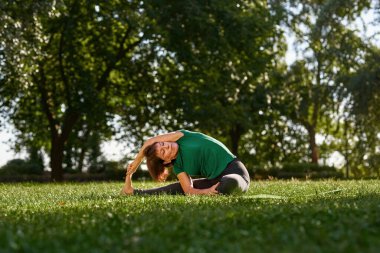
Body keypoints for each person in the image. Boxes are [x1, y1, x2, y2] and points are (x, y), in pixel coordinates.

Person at [120, 129, 250, 195]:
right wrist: (206, 192)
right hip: (214, 181)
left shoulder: (182, 136)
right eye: (163, 152)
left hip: (235, 172)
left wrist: (136, 162)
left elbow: (149, 141)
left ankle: (223, 188)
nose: (167, 147)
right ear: (166, 161)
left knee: (230, 182)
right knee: (177, 188)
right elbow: (188, 191)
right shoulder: (178, 166)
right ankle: (132, 191)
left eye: (163, 144)